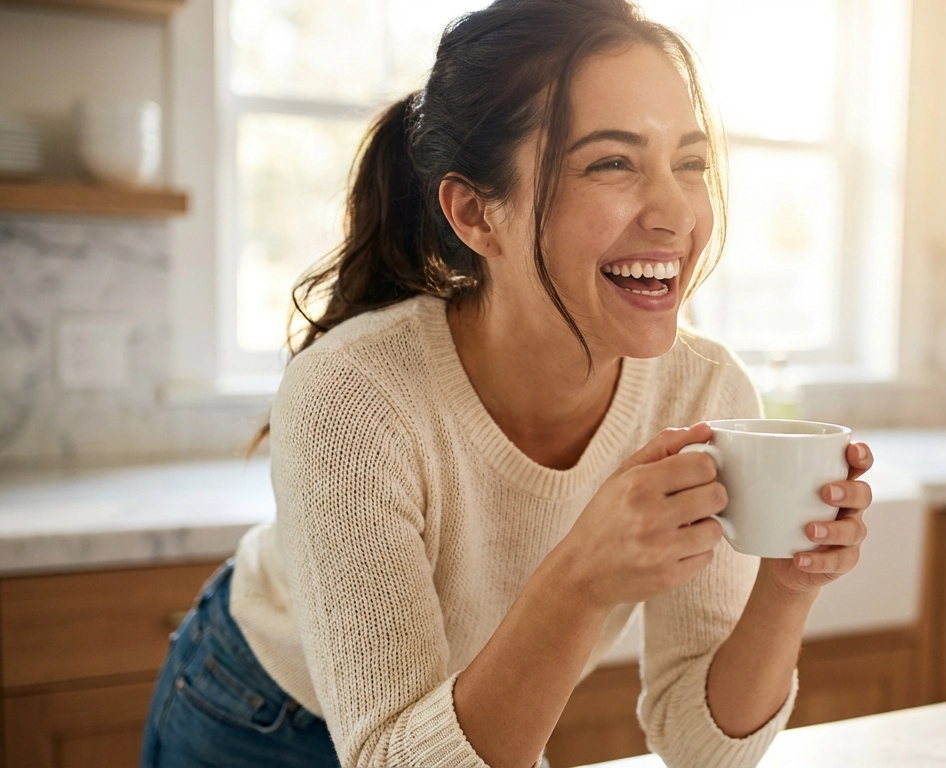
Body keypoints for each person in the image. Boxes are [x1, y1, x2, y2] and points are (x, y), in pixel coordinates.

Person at [140, 1, 873, 766]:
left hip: (472, 720)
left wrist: (790, 583)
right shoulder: (353, 393)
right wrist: (581, 579)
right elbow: (394, 753)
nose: (675, 214)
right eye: (612, 163)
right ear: (475, 213)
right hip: (255, 718)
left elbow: (699, 747)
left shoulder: (704, 392)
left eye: (689, 163)